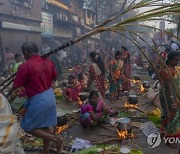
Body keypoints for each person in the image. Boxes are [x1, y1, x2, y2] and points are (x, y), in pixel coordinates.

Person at [10, 42, 63, 154]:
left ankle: (56, 139)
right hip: (49, 94)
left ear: (25, 52)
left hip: (39, 98)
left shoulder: (24, 66)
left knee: (27, 126)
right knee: (44, 125)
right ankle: (46, 151)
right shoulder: (48, 61)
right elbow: (54, 77)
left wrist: (8, 95)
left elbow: (15, 86)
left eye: (23, 54)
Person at [160, 51, 180, 148]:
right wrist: (172, 102)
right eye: (175, 60)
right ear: (170, 60)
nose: (177, 62)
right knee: (169, 116)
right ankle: (167, 138)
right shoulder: (166, 71)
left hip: (175, 96)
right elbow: (168, 87)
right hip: (167, 97)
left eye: (178, 60)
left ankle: (171, 136)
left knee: (175, 118)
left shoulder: (176, 69)